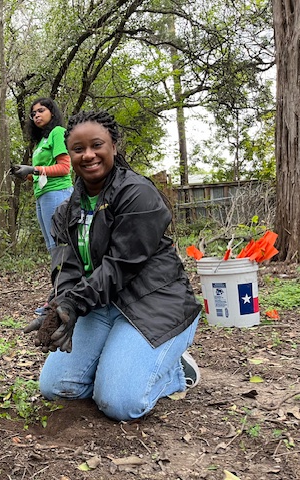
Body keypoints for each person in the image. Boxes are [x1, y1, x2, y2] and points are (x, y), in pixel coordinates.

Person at [24, 110, 202, 422]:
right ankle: (120, 361)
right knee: (55, 388)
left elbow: (122, 264)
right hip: (102, 305)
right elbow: (65, 266)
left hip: (154, 305)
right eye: (78, 150)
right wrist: (62, 307)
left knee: (118, 404)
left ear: (113, 146)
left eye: (97, 145)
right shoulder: (67, 210)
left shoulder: (137, 194)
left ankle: (172, 371)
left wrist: (76, 302)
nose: (88, 155)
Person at [11, 98, 74, 315]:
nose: (36, 115)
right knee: (52, 247)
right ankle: (58, 294)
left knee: (61, 246)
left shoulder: (58, 132)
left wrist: (33, 169)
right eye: (33, 113)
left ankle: (61, 297)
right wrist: (26, 174)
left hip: (58, 193)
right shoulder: (40, 142)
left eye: (41, 110)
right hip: (43, 195)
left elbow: (65, 168)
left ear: (52, 112)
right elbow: (40, 172)